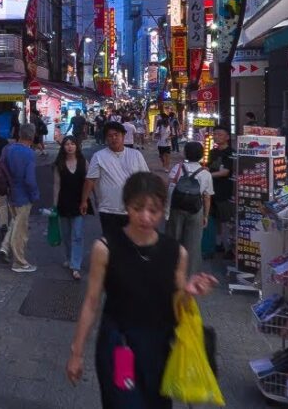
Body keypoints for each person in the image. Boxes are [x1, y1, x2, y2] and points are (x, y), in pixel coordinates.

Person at [66, 172, 218, 408]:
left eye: (154, 210)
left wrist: (190, 292)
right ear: (126, 206)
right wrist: (76, 352)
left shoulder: (176, 252)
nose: (145, 217)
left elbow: (179, 306)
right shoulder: (105, 248)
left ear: (163, 211)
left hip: (159, 347)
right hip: (119, 345)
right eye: (138, 208)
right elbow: (91, 302)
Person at [84, 122, 151, 237]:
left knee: (132, 244)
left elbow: (146, 178)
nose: (114, 138)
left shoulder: (136, 155)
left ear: (123, 136)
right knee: (112, 245)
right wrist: (84, 200)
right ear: (106, 138)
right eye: (110, 136)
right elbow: (90, 180)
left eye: (116, 135)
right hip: (108, 209)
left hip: (132, 210)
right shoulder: (98, 156)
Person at [166, 141, 213, 277]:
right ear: (201, 156)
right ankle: (190, 276)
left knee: (173, 240)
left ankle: (170, 272)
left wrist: (167, 209)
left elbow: (170, 188)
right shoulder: (205, 174)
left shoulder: (177, 168)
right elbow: (207, 197)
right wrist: (205, 215)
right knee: (193, 245)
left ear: (185, 153)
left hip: (176, 208)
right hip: (196, 209)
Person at [0, 123, 40, 273]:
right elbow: (30, 180)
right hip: (23, 194)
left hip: (10, 192)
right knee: (21, 230)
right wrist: (35, 195)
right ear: (32, 136)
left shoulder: (8, 149)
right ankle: (20, 262)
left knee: (15, 224)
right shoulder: (29, 153)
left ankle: (5, 248)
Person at [54, 135, 88, 281]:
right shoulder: (59, 164)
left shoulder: (83, 162)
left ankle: (76, 266)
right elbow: (56, 185)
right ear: (63, 147)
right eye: (67, 144)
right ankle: (69, 257)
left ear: (76, 146)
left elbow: (89, 183)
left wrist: (93, 199)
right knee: (66, 234)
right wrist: (54, 205)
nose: (69, 146)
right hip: (63, 202)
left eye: (72, 144)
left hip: (79, 202)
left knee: (77, 235)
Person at [207, 124, 236, 257]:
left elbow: (225, 172)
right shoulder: (213, 152)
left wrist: (207, 175)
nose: (216, 137)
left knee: (225, 220)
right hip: (212, 190)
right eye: (215, 134)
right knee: (216, 219)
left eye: (220, 134)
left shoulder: (231, 153)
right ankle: (219, 243)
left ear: (227, 137)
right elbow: (208, 168)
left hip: (225, 191)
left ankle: (228, 247)